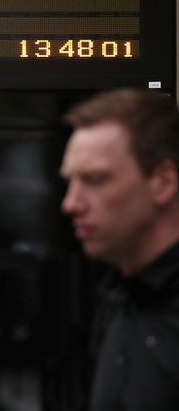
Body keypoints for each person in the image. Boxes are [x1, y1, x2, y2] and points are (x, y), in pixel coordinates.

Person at [60, 89, 179, 411]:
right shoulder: (119, 299)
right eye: (70, 182)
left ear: (162, 182)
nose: (71, 203)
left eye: (95, 180)